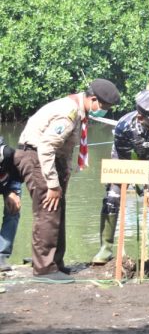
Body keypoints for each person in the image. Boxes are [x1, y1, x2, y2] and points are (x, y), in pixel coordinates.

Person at [14, 78, 120, 282]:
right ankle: (44, 270)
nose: (104, 110)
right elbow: (46, 147)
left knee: (57, 210)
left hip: (49, 159)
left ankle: (55, 264)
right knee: (48, 210)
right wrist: (53, 184)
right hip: (38, 157)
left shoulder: (77, 109)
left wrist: (64, 173)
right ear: (93, 99)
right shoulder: (68, 113)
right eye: (104, 107)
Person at [92, 90, 149, 265]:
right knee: (112, 197)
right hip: (126, 165)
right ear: (141, 118)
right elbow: (129, 164)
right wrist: (146, 194)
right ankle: (106, 249)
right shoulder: (124, 127)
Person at [0, 137, 21, 272]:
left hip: (8, 179)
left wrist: (12, 191)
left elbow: (18, 174)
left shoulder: (7, 153)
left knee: (12, 211)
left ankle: (1, 255)